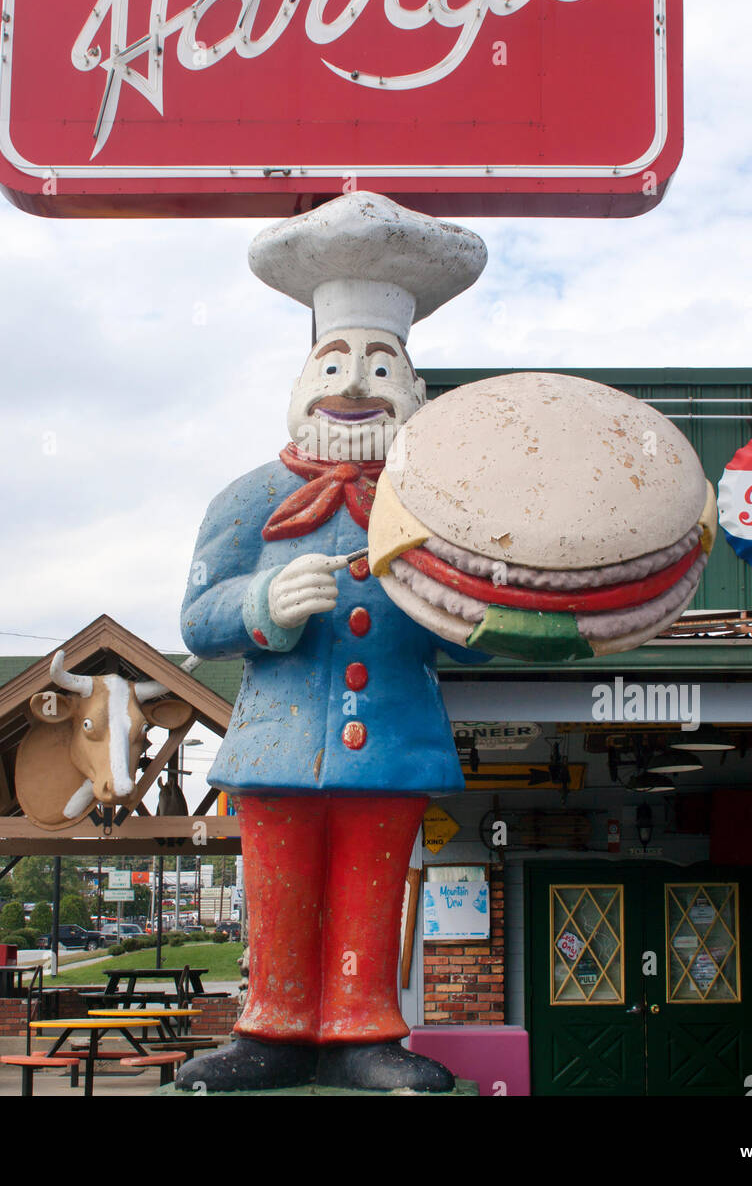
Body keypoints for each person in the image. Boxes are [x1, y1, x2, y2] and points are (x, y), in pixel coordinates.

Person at [175, 192, 486, 1092]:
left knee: (373, 881)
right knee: (276, 886)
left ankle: (362, 1029)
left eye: (381, 368)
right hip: (275, 736)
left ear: (415, 393)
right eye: (334, 364)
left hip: (391, 736)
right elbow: (197, 620)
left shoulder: (441, 507)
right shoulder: (245, 500)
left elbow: (479, 636)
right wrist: (265, 598)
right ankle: (268, 1025)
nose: (354, 386)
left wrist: (451, 605)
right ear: (299, 383)